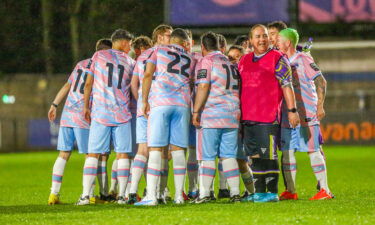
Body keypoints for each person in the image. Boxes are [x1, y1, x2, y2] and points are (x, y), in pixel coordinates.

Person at [238, 24, 300, 203]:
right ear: (250, 40)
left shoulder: (277, 58)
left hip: (268, 117)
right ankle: (259, 193)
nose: (262, 39)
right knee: (254, 156)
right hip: (247, 117)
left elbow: (286, 85)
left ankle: (272, 192)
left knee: (269, 155)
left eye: (264, 36)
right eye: (257, 36)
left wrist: (292, 110)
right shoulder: (244, 60)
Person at [47, 39, 112, 205]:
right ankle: (89, 196)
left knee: (63, 154)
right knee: (91, 155)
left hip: (67, 115)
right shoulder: (101, 66)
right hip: (83, 116)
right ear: (105, 53)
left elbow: (67, 86)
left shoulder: (81, 64)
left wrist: (54, 104)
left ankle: (53, 194)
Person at [76, 29, 135, 205]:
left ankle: (86, 195)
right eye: (130, 44)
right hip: (122, 113)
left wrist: (86, 106)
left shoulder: (99, 56)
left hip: (101, 112)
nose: (130, 47)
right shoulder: (131, 62)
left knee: (93, 154)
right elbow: (133, 88)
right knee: (123, 154)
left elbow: (88, 83)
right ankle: (123, 196)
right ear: (123, 42)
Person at [136, 28, 194, 206]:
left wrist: (144, 100)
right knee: (178, 150)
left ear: (171, 40)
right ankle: (178, 195)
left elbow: (147, 74)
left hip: (161, 102)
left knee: (155, 149)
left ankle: (151, 196)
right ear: (184, 42)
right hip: (182, 105)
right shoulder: (190, 57)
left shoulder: (158, 50)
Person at [277, 28, 333, 200]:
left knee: (313, 150)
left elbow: (321, 80)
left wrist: (320, 106)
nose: (276, 43)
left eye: (279, 40)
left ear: (287, 43)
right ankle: (291, 191)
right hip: (288, 114)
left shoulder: (303, 58)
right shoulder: (281, 60)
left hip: (306, 112)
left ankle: (325, 190)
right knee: (287, 152)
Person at [192, 32, 241, 203]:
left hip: (213, 114)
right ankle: (235, 193)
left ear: (203, 48)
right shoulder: (229, 62)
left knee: (208, 156)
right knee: (229, 156)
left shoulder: (207, 61)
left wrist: (196, 110)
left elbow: (204, 85)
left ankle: (205, 194)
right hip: (232, 114)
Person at [126, 35, 155, 204]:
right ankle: (156, 191)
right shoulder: (158, 55)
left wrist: (141, 102)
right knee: (158, 152)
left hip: (139, 110)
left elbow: (133, 84)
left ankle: (130, 190)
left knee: (140, 151)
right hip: (158, 107)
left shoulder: (137, 61)